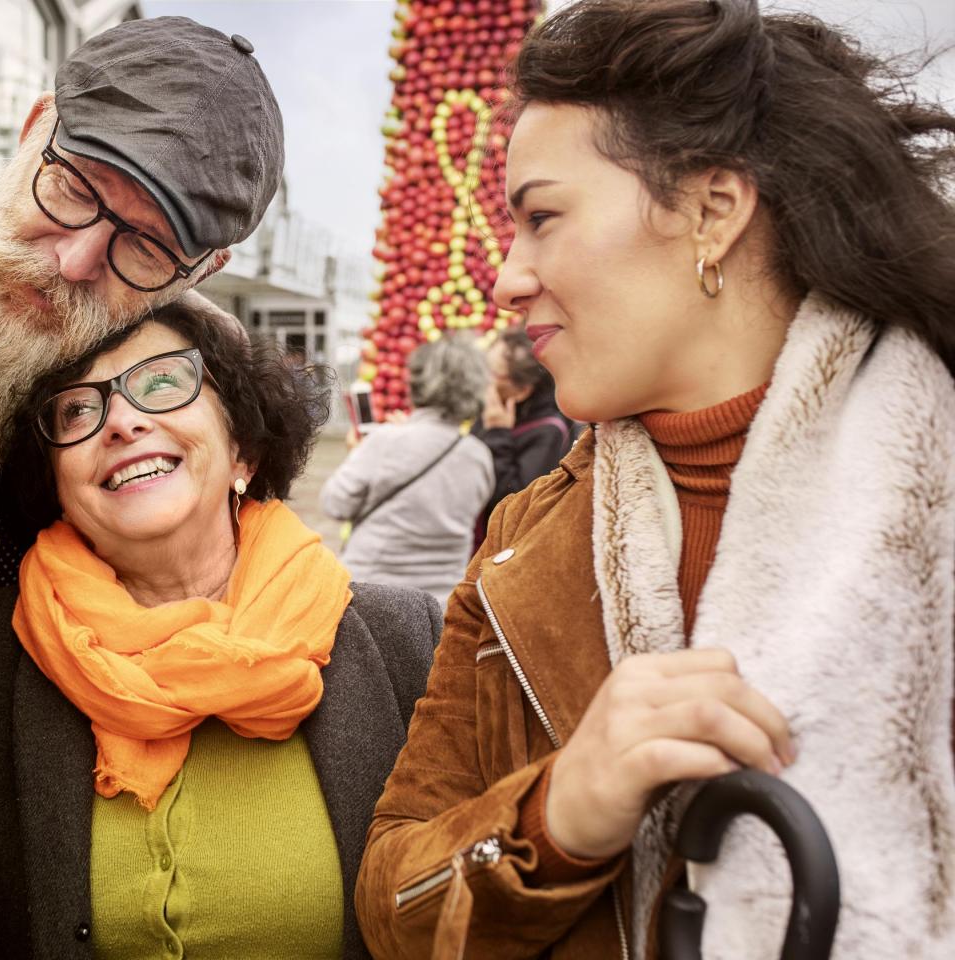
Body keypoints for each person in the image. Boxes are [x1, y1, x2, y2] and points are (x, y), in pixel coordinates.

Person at [355, 2, 955, 959]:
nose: (506, 279)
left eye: (543, 217)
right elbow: (392, 909)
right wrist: (554, 815)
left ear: (712, 210)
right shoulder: (521, 551)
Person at [0, 300, 443, 958]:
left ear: (243, 451)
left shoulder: (405, 642)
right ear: (58, 483)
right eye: (78, 410)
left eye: (163, 383)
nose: (122, 421)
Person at [0, 15, 286, 759]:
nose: (74, 260)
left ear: (199, 273)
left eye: (147, 247)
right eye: (70, 187)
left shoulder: (186, 408)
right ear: (36, 125)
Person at [320, 334, 495, 607]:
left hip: (371, 595)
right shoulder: (479, 456)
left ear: (417, 383)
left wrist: (359, 452)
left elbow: (335, 504)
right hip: (441, 604)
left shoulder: (386, 441)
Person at [477, 328, 575, 515]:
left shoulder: (548, 431)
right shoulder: (499, 403)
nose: (482, 378)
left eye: (493, 373)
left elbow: (514, 505)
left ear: (522, 391)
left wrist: (497, 434)